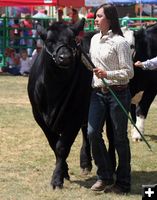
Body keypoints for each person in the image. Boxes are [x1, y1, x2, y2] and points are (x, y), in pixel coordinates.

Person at [87, 4, 134, 194]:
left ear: (110, 19)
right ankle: (104, 175)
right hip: (97, 94)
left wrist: (108, 73)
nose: (95, 19)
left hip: (119, 94)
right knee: (92, 133)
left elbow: (129, 73)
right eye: (95, 16)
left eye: (99, 16)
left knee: (119, 138)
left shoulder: (120, 42)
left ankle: (123, 182)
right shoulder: (93, 40)